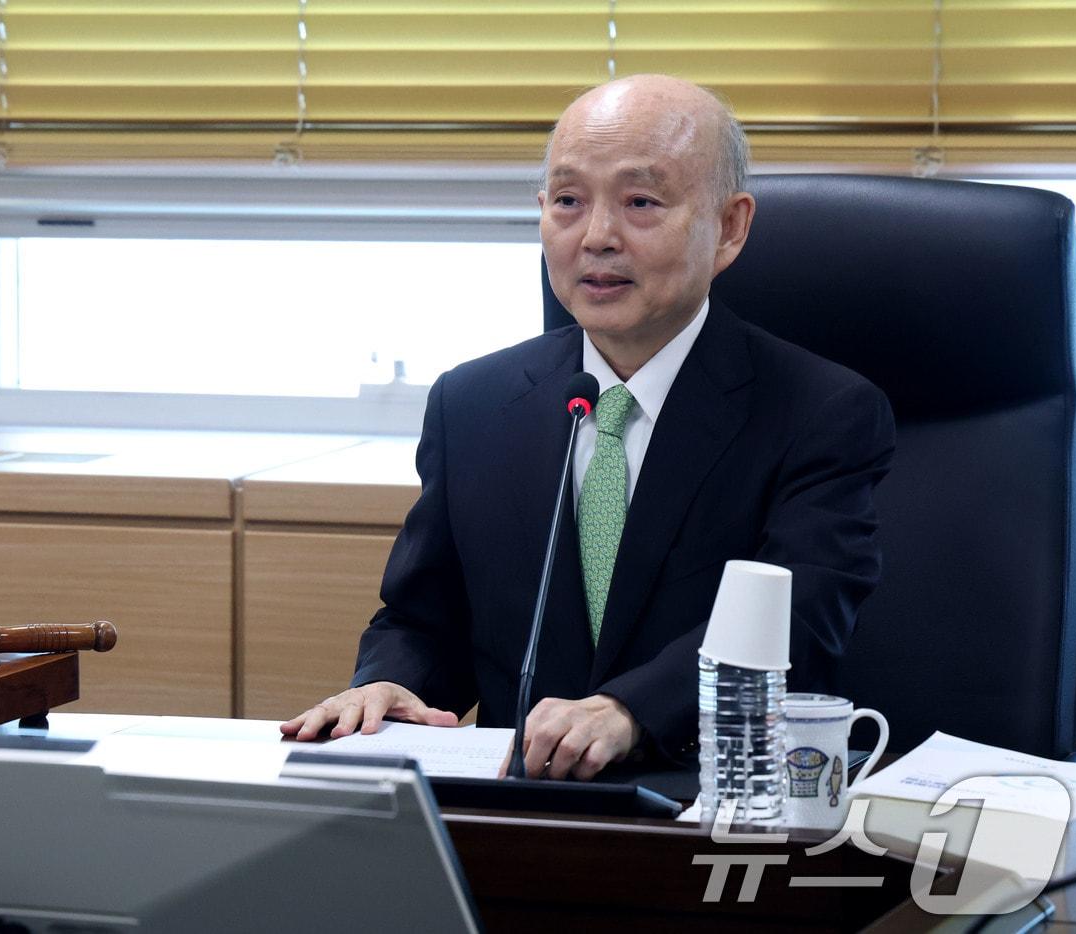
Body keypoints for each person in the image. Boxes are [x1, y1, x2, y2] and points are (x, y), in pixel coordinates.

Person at [281, 74, 895, 781]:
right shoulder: (474, 404)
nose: (597, 237)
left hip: (708, 807)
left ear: (730, 227)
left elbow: (799, 624)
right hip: (518, 820)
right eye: (568, 201)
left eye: (640, 202)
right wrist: (391, 684)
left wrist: (629, 710)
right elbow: (426, 618)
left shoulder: (820, 412)